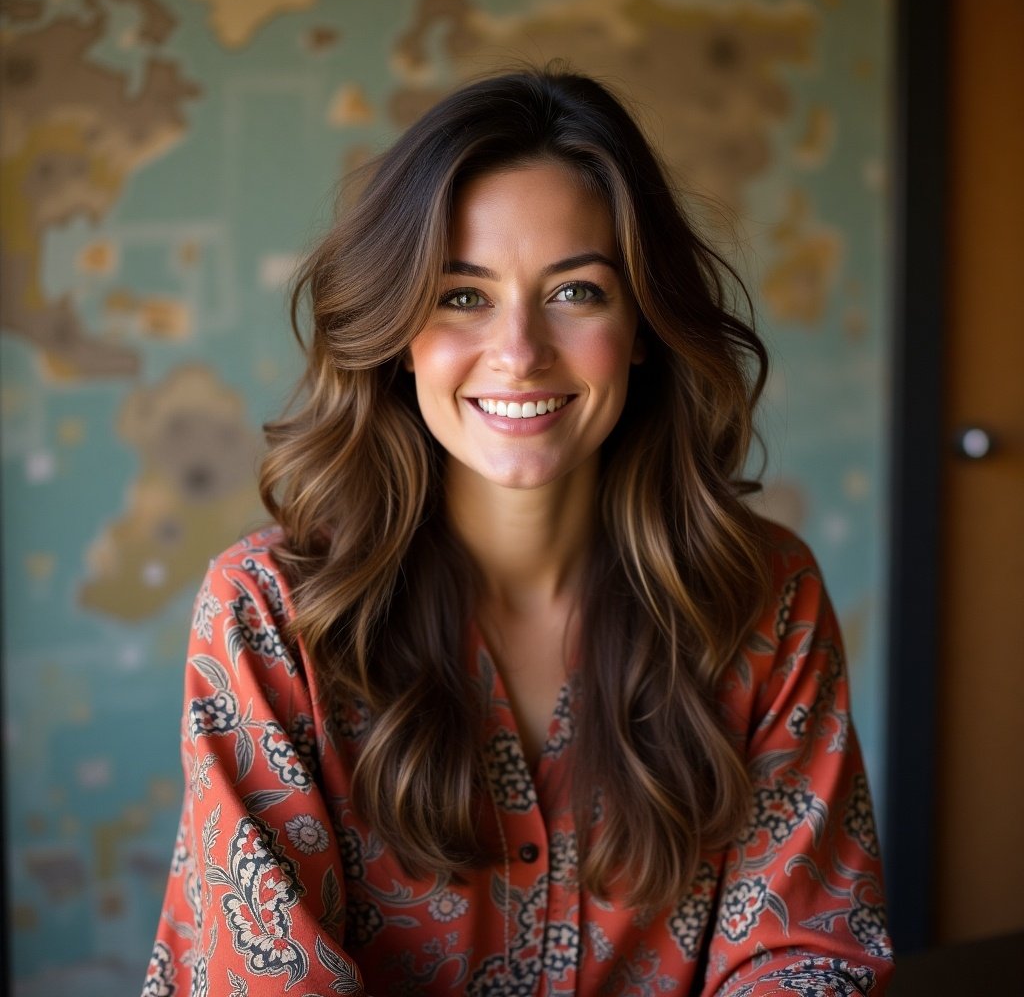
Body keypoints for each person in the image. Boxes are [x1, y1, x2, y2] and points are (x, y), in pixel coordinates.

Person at [143, 68, 892, 996]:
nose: (520, 352)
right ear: (397, 329)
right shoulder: (269, 614)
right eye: (463, 296)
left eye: (576, 293)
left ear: (644, 325)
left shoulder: (763, 597)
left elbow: (809, 953)